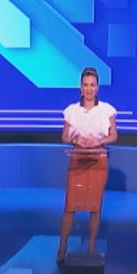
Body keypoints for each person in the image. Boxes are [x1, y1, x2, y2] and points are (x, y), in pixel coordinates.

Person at [57, 67, 118, 263]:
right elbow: (64, 136)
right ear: (80, 88)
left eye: (92, 85)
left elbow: (114, 135)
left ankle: (91, 245)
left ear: (97, 87)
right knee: (70, 206)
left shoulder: (107, 110)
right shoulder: (71, 111)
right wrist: (77, 140)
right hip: (77, 158)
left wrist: (99, 141)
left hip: (98, 159)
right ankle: (63, 245)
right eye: (85, 85)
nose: (89, 89)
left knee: (94, 206)